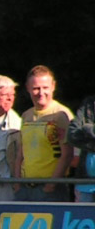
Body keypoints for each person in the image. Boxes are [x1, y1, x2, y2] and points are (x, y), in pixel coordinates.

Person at [14, 65, 73, 202]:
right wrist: (16, 183)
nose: (41, 92)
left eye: (45, 87)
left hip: (51, 191)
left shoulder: (61, 115)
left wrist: (51, 185)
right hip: (24, 188)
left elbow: (67, 155)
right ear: (28, 88)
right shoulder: (26, 116)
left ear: (53, 86)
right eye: (36, 88)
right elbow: (20, 154)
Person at [67, 96, 95, 202]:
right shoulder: (88, 103)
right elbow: (72, 135)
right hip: (85, 184)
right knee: (83, 214)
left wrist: (88, 129)